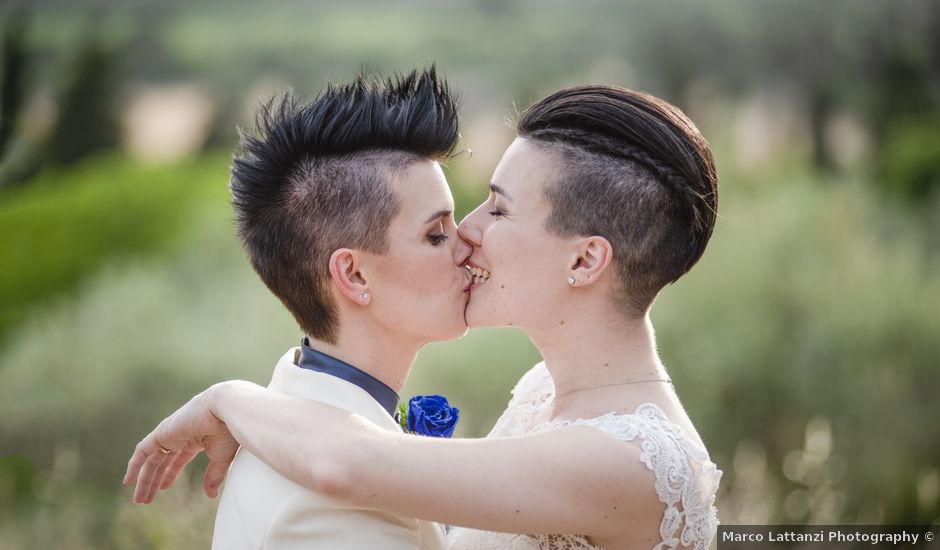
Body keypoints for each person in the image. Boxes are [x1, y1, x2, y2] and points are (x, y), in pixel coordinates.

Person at [125, 82, 723, 550]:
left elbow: (348, 464)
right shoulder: (542, 393)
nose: (470, 229)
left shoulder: (632, 460)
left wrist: (230, 397)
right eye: (441, 228)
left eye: (500, 209)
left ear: (587, 257)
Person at [196, 68, 469, 549]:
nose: (466, 246)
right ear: (355, 275)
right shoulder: (329, 510)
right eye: (436, 234)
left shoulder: (287, 418)